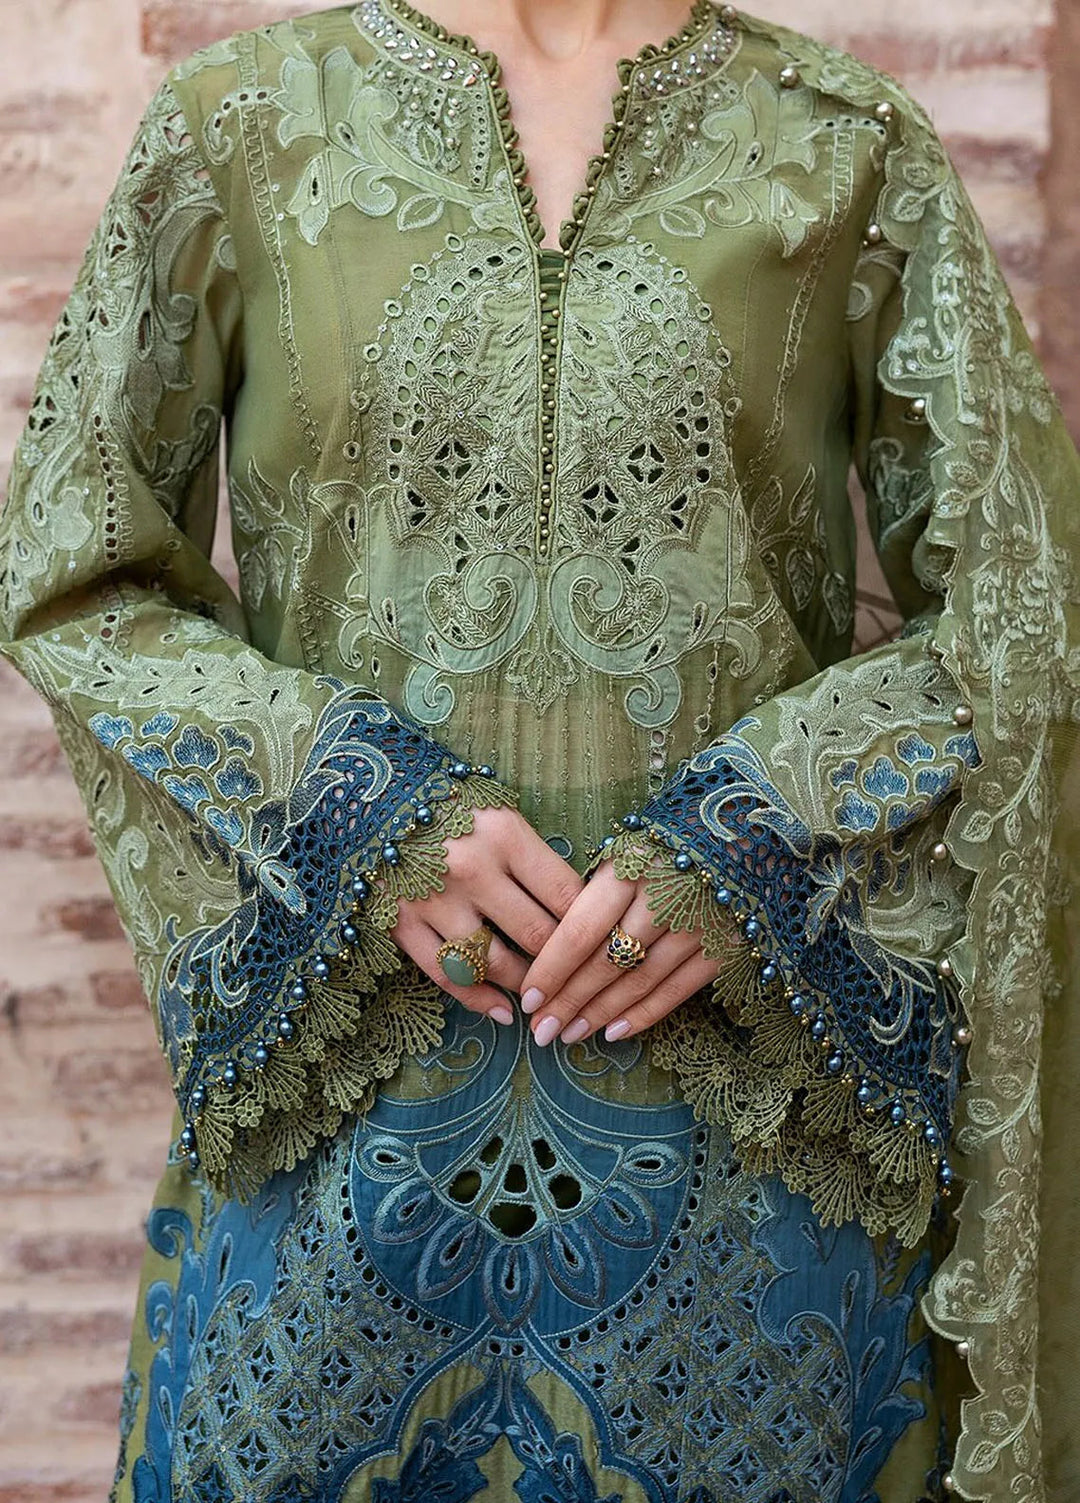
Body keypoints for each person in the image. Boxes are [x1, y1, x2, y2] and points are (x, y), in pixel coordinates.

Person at [0, 0, 1077, 1497]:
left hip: (744, 1194)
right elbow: (73, 574)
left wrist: (759, 832)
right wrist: (353, 810)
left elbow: (1028, 611)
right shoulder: (240, 127)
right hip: (342, 1159)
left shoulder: (842, 146)